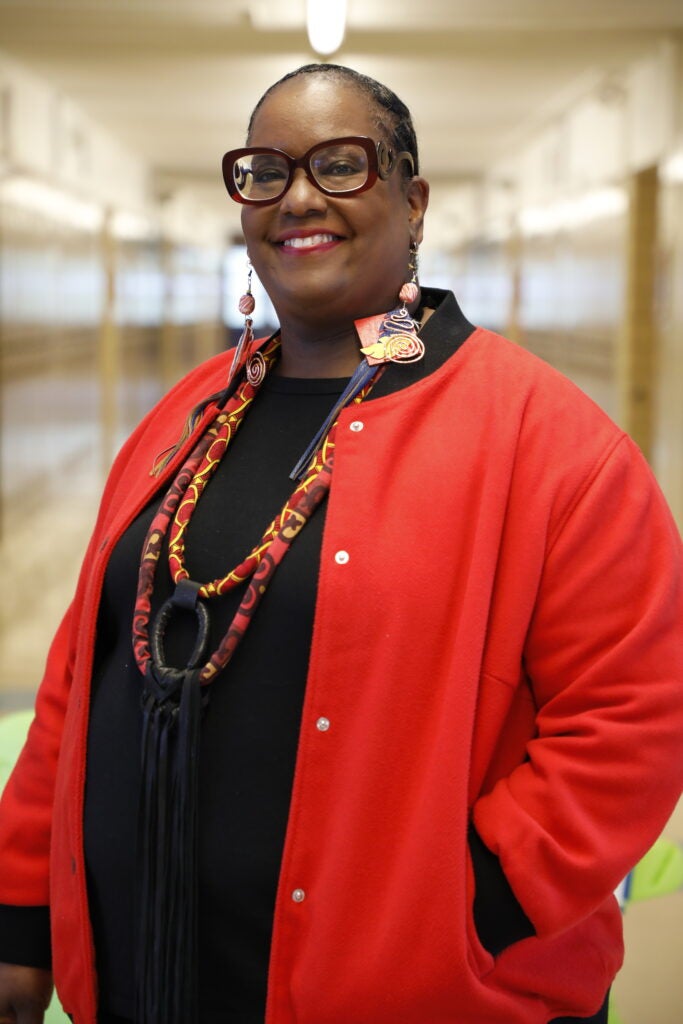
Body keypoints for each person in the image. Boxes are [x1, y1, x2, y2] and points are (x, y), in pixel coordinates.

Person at [0, 62, 682, 1024]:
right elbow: (85, 673)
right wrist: (21, 920)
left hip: (420, 990)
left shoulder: (550, 444)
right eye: (265, 171)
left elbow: (632, 723)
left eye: (341, 164)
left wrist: (470, 911)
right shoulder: (183, 416)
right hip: (156, 971)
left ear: (413, 201)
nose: (298, 197)